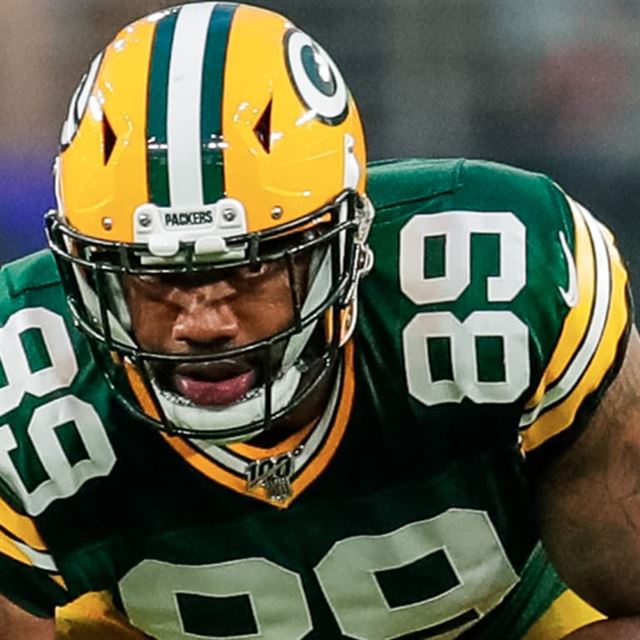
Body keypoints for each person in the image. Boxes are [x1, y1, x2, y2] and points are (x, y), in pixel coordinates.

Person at [0, 3, 638, 639]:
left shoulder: (495, 280)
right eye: (150, 272)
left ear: (341, 243)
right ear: (87, 268)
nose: (201, 322)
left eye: (249, 267)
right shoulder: (25, 376)